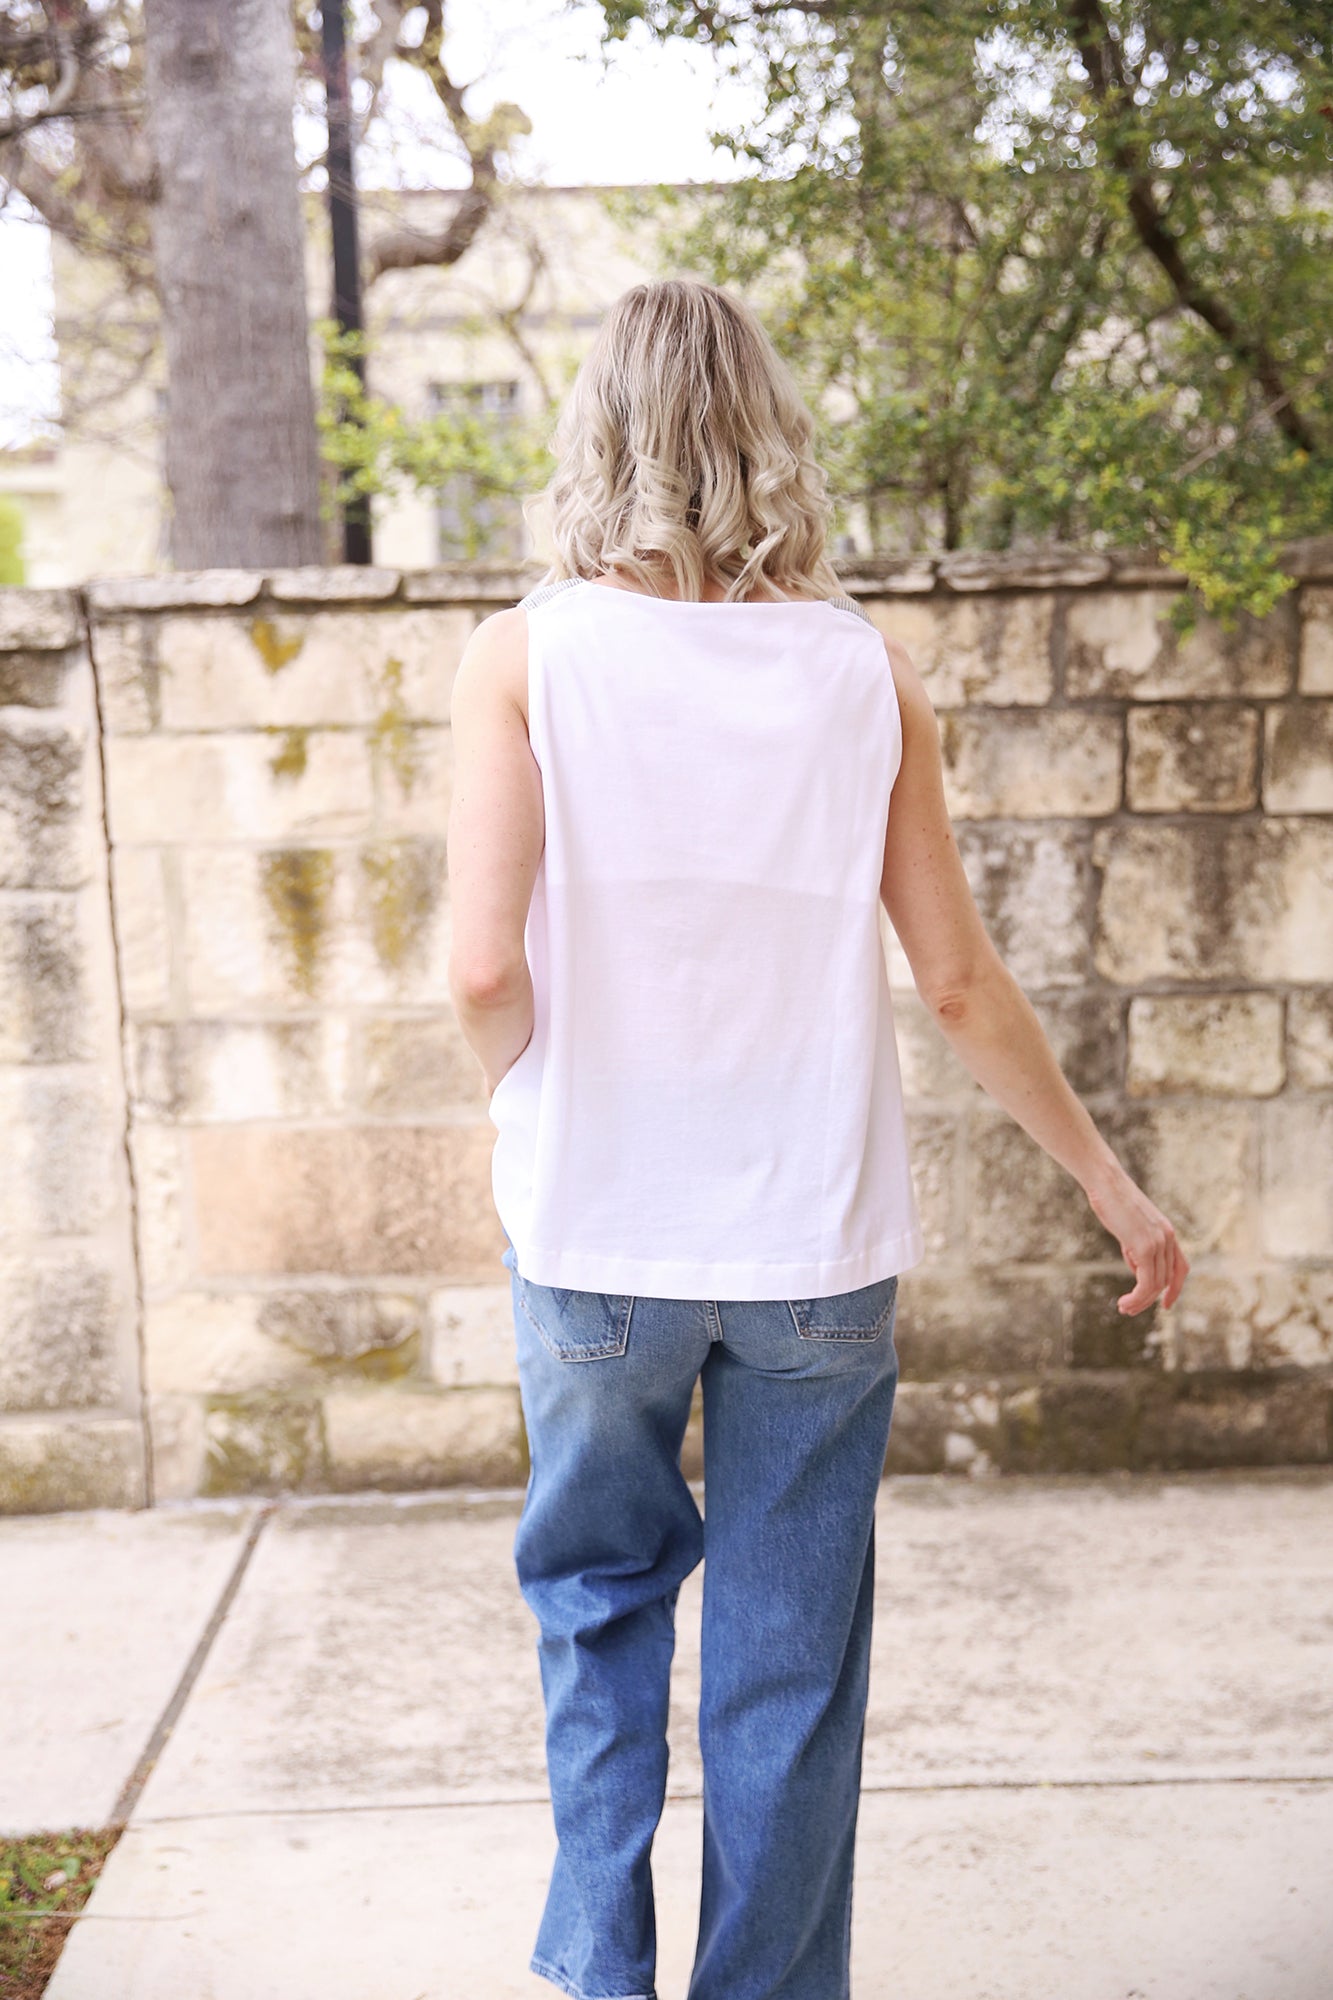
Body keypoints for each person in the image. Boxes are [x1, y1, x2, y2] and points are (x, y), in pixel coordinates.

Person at [445, 277, 1189, 2000]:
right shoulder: (864, 674)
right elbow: (956, 980)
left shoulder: (525, 655)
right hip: (814, 1255)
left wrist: (526, 1100)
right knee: (787, 1667)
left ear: (600, 435)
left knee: (597, 1608)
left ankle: (597, 1973)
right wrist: (1108, 1184)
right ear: (766, 435)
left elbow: (480, 967)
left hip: (594, 1236)